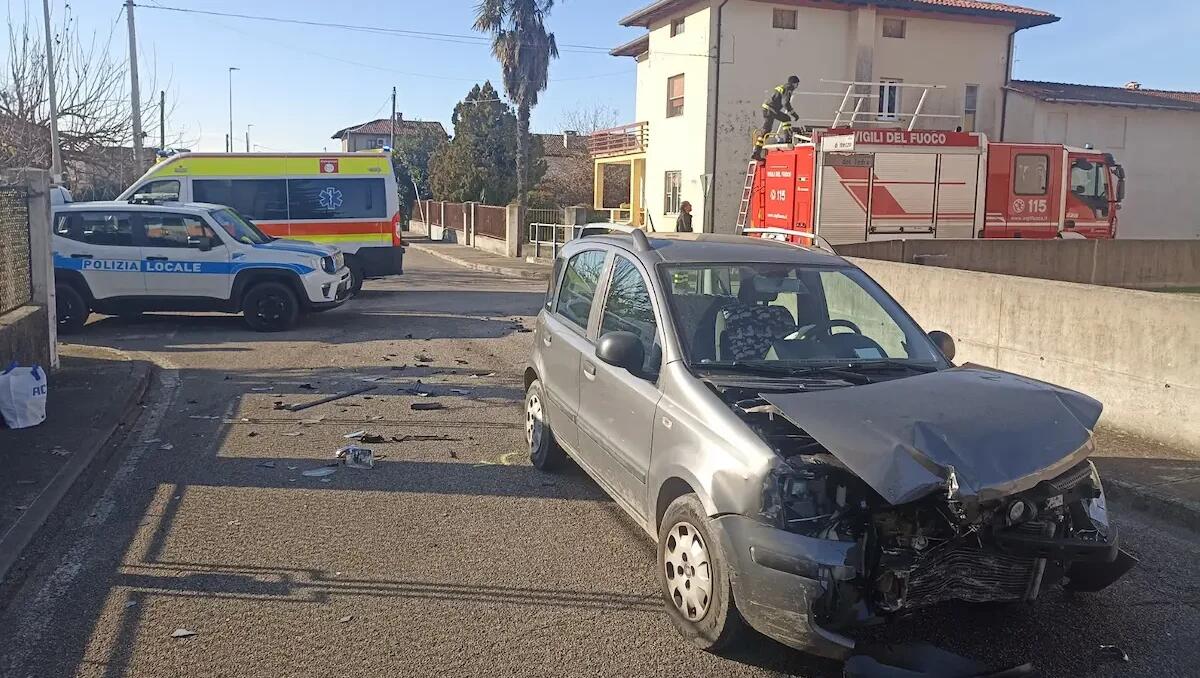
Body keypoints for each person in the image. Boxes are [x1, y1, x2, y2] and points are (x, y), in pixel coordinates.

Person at [752, 75, 801, 160]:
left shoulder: (783, 86)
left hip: (768, 108)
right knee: (786, 119)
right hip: (771, 109)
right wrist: (794, 115)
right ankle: (787, 138)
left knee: (767, 130)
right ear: (794, 83)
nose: (797, 86)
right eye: (797, 84)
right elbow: (785, 103)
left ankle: (756, 151)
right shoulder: (789, 88)